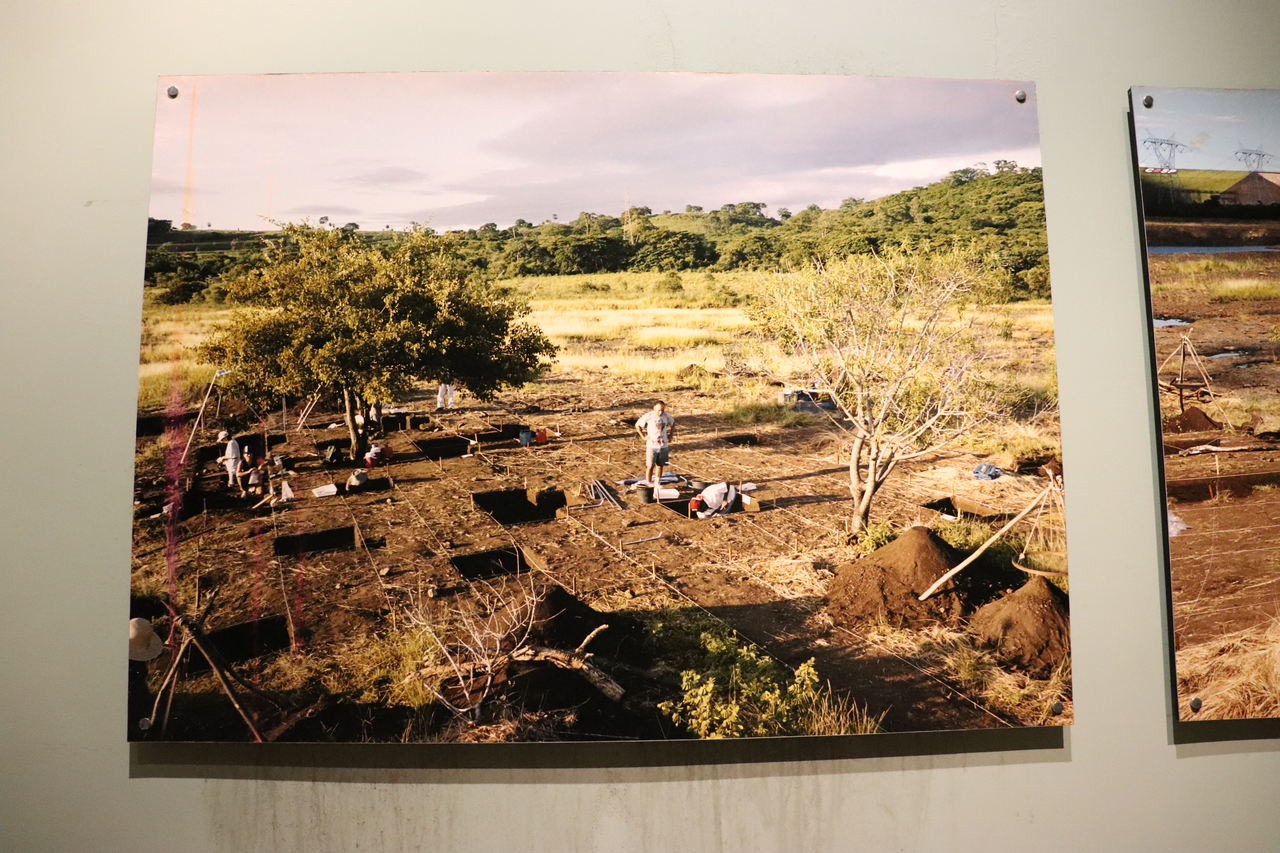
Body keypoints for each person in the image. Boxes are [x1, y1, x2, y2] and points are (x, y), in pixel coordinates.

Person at [635, 400, 676, 487]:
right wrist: (643, 436)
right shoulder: (649, 416)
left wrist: (670, 436)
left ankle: (657, 482)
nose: (661, 412)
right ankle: (649, 483)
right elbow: (637, 425)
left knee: (660, 465)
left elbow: (673, 424)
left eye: (662, 410)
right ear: (654, 408)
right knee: (650, 465)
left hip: (663, 445)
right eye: (659, 410)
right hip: (652, 445)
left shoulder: (666, 416)